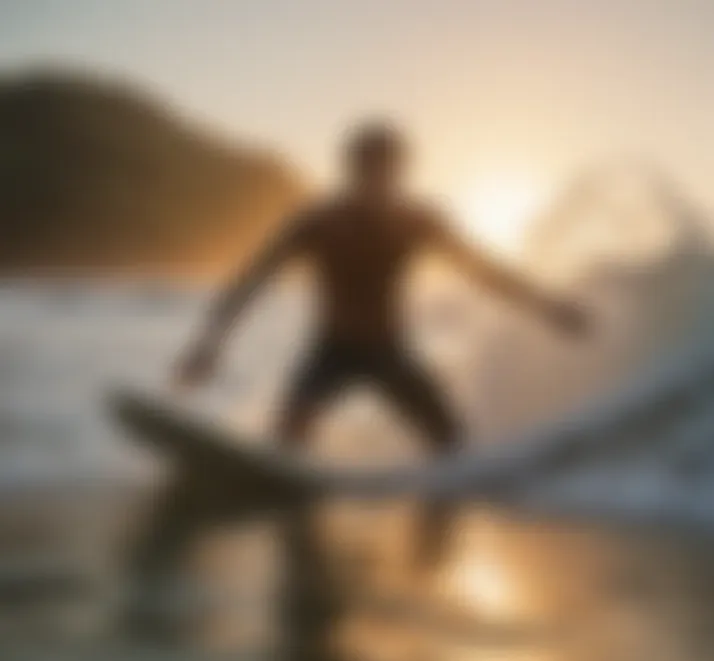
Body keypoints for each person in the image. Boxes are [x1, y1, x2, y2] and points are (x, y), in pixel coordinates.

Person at [173, 120, 589, 569]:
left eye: (386, 171)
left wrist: (547, 307)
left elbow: (484, 271)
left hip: (389, 353)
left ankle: (432, 561)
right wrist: (208, 342)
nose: (375, 181)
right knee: (285, 448)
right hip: (330, 352)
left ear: (399, 173)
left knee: (452, 448)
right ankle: (300, 556)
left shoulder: (417, 222)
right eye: (366, 170)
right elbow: (254, 279)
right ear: (350, 171)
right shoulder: (318, 222)